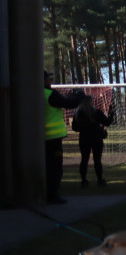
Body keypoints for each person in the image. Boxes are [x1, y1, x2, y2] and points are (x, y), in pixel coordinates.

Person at [43, 71, 85, 204]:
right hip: (53, 137)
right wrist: (79, 96)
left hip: (38, 138)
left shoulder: (33, 93)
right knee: (55, 167)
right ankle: (53, 195)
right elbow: (69, 104)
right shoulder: (50, 94)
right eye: (48, 78)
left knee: (45, 167)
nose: (50, 81)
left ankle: (45, 193)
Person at [73, 94, 112, 188]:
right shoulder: (96, 112)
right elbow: (107, 122)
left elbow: (74, 127)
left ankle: (83, 180)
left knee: (84, 159)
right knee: (97, 160)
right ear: (91, 102)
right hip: (96, 137)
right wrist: (111, 113)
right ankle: (100, 180)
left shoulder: (78, 113)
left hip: (84, 138)